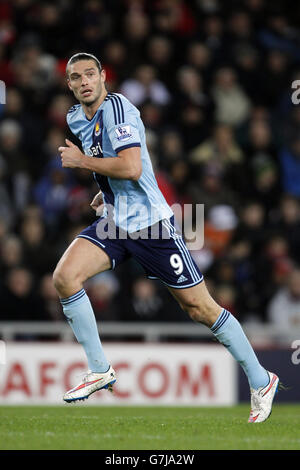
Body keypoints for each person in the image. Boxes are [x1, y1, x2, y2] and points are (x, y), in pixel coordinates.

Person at [54, 52, 279, 423]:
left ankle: (261, 379)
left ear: (103, 76)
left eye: (89, 74)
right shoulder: (75, 117)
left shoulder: (120, 109)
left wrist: (83, 163)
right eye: (75, 77)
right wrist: (104, 190)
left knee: (199, 308)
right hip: (115, 223)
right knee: (64, 277)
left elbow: (131, 165)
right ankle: (100, 370)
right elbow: (114, 165)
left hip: (153, 226)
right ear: (69, 84)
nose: (83, 82)